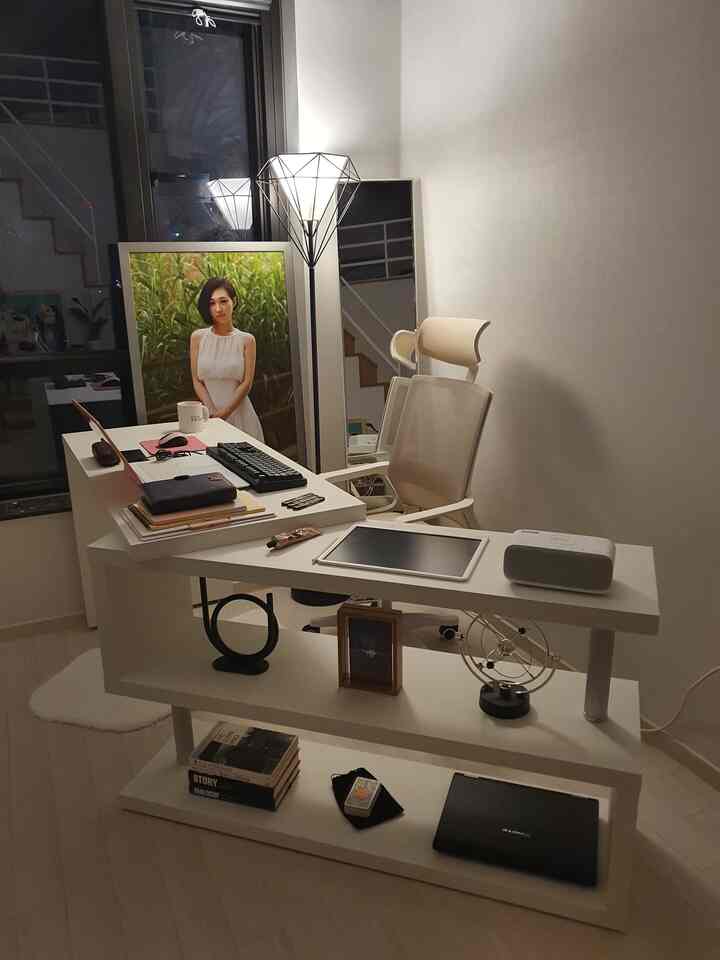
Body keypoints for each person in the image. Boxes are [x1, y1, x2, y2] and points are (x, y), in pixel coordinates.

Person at [190, 277, 264, 441]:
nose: (218, 309)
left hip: (241, 418)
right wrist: (212, 413)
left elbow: (246, 383)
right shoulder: (197, 338)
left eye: (223, 301)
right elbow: (197, 381)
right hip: (209, 419)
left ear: (234, 301)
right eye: (212, 303)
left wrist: (224, 413)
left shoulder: (247, 340)